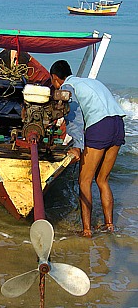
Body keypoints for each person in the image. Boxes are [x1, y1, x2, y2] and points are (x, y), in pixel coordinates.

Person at [50, 60, 125, 237]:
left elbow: (75, 118)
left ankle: (86, 230)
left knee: (84, 181)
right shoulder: (90, 81)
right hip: (118, 124)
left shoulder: (67, 87)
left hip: (100, 127)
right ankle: (109, 225)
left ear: (55, 79)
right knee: (102, 180)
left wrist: (77, 146)